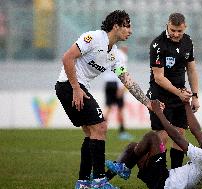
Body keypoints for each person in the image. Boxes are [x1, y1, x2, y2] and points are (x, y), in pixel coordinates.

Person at [55, 10, 152, 189]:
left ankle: (83, 183)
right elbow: (67, 58)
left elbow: (127, 80)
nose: (130, 31)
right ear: (116, 26)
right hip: (69, 86)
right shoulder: (93, 38)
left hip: (77, 88)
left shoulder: (114, 54)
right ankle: (99, 182)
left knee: (92, 132)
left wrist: (147, 102)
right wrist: (76, 88)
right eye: (127, 26)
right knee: (100, 127)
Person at [105, 100, 202, 189]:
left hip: (165, 183)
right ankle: (104, 180)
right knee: (134, 147)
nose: (201, 139)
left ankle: (125, 167)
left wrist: (159, 112)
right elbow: (196, 130)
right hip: (164, 177)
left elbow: (176, 136)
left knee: (153, 137)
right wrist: (186, 104)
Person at [147, 12, 200, 169]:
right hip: (160, 97)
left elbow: (191, 70)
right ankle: (160, 177)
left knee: (180, 135)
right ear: (167, 26)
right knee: (161, 137)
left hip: (179, 96)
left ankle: (176, 174)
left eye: (179, 31)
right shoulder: (158, 44)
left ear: (185, 28)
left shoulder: (188, 41)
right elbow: (158, 77)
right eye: (173, 30)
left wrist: (195, 95)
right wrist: (179, 93)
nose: (176, 34)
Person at [103, 45, 133, 140]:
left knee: (108, 108)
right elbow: (121, 71)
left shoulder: (110, 55)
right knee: (120, 109)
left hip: (108, 83)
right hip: (116, 84)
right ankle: (122, 132)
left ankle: (101, 130)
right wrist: (121, 87)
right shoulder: (122, 56)